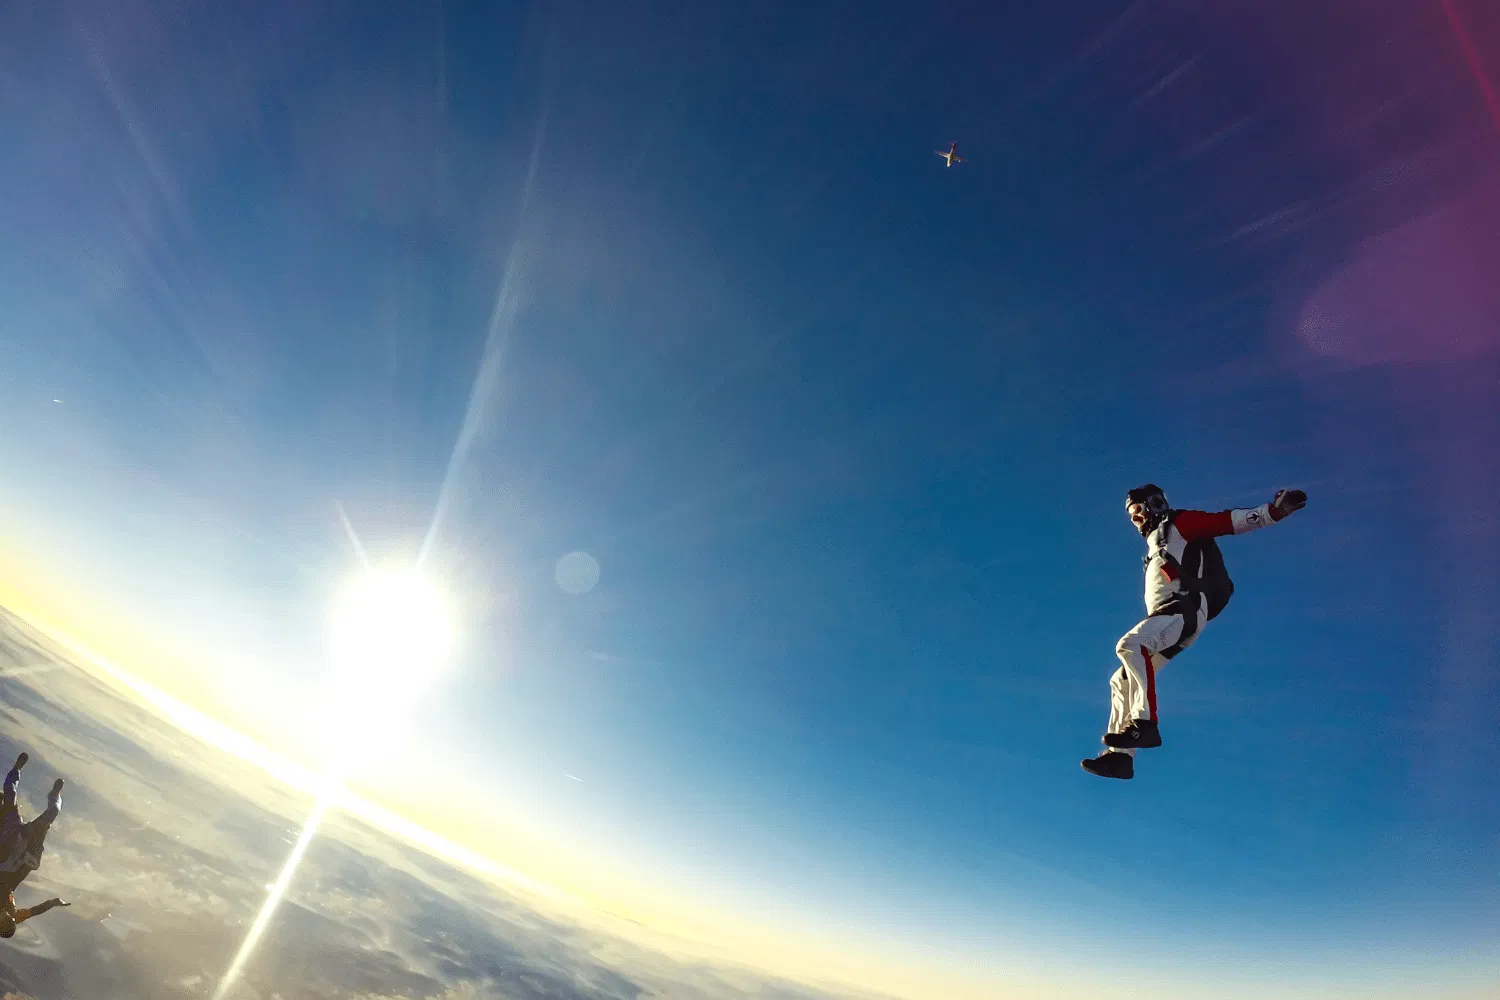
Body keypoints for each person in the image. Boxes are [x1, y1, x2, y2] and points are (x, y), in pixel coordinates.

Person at [1082, 484, 1308, 780]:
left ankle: (1144, 723)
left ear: (1154, 504)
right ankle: (1120, 759)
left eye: (1138, 511)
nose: (1135, 519)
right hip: (1173, 617)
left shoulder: (1176, 524)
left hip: (1182, 610)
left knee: (1129, 646)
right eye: (1131, 515)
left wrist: (1273, 513)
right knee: (1121, 679)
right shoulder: (1157, 544)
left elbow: (1224, 522)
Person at [0, 752, 70, 937]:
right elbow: (34, 911)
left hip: (7, 847)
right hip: (23, 857)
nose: (7, 917)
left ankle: (17, 769)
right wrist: (54, 902)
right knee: (53, 811)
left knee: (9, 792)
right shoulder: (15, 915)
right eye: (9, 920)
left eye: (3, 922)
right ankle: (55, 795)